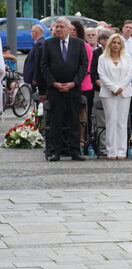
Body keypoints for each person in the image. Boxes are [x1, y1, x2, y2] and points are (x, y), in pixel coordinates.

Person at [40, 17, 88, 161]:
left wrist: (74, 83)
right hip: (55, 89)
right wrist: (54, 83)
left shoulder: (79, 44)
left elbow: (83, 66)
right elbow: (44, 66)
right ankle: (56, 151)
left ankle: (75, 151)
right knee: (56, 121)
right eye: (57, 27)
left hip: (73, 89)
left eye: (61, 27)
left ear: (69, 29)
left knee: (74, 120)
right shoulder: (48, 44)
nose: (59, 29)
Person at [97, 34, 132, 160]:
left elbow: (129, 74)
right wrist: (113, 88)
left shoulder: (127, 57)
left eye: (118, 43)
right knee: (111, 121)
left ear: (122, 45)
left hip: (124, 92)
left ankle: (122, 150)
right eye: (114, 42)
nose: (116, 45)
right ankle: (111, 151)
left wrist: (120, 88)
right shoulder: (102, 58)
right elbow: (102, 75)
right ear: (109, 44)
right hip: (108, 93)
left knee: (122, 122)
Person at [70, 21, 95, 153]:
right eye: (71, 29)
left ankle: (82, 140)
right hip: (67, 85)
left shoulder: (85, 47)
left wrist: (74, 81)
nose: (72, 32)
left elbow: (87, 67)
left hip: (83, 84)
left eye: (75, 30)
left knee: (83, 112)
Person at [88, 29, 111, 156]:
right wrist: (101, 84)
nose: (104, 41)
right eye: (102, 39)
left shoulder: (115, 52)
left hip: (114, 90)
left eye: (106, 38)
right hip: (100, 89)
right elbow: (93, 72)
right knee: (101, 120)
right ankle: (102, 147)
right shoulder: (96, 53)